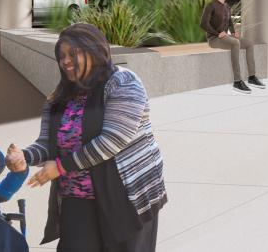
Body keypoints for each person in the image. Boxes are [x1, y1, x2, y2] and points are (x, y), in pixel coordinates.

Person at [21, 23, 168, 251]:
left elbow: (114, 140)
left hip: (126, 196)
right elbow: (47, 145)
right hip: (77, 196)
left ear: (95, 50)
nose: (65, 61)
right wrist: (24, 157)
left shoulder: (123, 82)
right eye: (61, 56)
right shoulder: (59, 97)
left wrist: (60, 167)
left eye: (73, 54)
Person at [200, 0, 264, 94]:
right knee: (235, 43)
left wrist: (234, 33)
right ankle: (237, 81)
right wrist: (216, 33)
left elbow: (229, 22)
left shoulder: (226, 6)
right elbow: (203, 24)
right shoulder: (211, 5)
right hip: (214, 39)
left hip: (226, 37)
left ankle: (252, 77)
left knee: (249, 43)